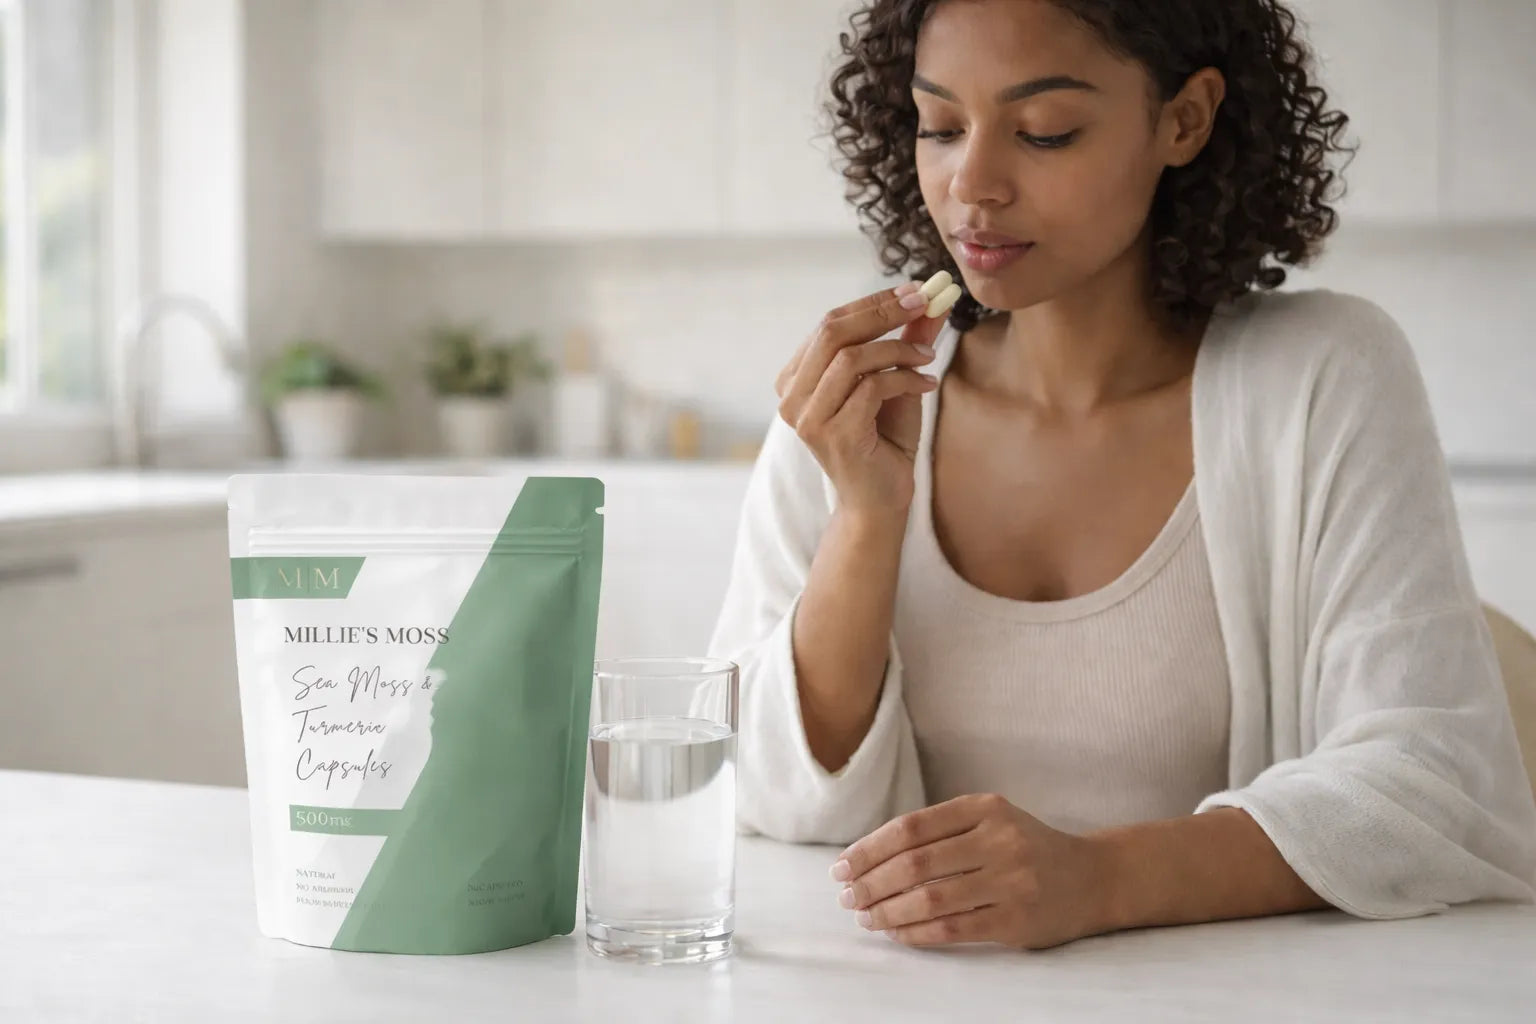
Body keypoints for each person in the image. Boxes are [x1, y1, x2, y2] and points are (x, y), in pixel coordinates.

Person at [707, 0, 1536, 951]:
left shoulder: (1324, 378)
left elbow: (1434, 781)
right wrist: (865, 516)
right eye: (939, 125)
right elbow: (755, 793)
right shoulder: (863, 402)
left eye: (1043, 131)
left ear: (1184, 120)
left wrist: (1099, 878)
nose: (971, 184)